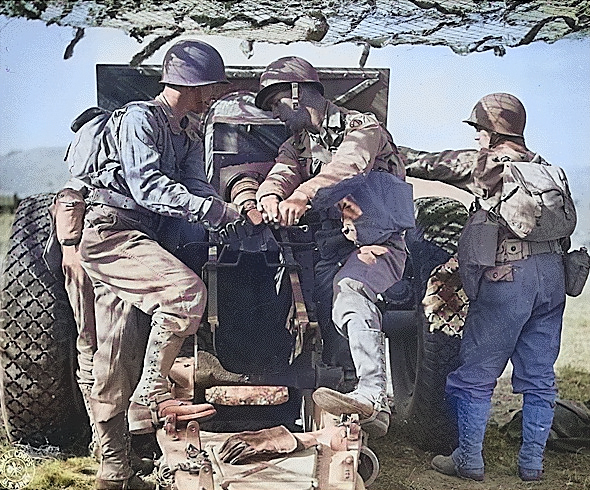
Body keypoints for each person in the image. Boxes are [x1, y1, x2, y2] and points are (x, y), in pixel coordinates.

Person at [76, 40, 245, 490]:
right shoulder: (139, 119)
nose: (211, 96)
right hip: (112, 234)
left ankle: (114, 477)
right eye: (207, 87)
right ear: (189, 85)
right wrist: (212, 213)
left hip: (142, 239)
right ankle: (152, 390)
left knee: (114, 362)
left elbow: (193, 187)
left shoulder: (187, 132)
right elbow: (148, 187)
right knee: (186, 295)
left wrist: (233, 211)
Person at [400, 93, 569, 481]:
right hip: (552, 276)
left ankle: (469, 460)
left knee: (474, 375)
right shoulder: (547, 167)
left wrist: (377, 145)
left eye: (478, 130)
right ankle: (531, 465)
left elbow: (422, 162)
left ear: (491, 132)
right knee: (540, 378)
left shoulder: (484, 163)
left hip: (507, 277)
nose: (476, 138)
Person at [254, 56, 413, 438]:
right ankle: (345, 400)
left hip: (376, 244)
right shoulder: (300, 143)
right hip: (328, 250)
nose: (277, 115)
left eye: (277, 105)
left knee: (351, 293)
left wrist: (303, 196)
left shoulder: (363, 127)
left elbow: (348, 166)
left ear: (296, 93)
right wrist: (270, 196)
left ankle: (374, 395)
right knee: (327, 324)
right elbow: (283, 169)